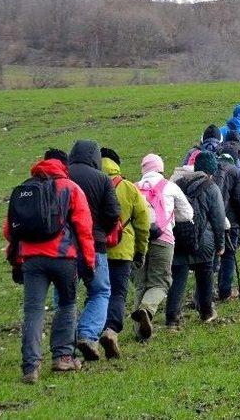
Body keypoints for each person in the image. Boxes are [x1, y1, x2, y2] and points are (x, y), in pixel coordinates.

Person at [5, 151, 94, 383]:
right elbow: (84, 228)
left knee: (33, 311)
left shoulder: (24, 189)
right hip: (64, 258)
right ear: (63, 166)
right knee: (66, 305)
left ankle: (30, 367)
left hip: (32, 260)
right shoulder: (70, 187)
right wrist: (90, 263)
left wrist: (15, 258)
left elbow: (9, 230)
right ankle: (62, 357)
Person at [68, 140, 121, 361]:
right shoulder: (101, 179)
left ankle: (65, 345)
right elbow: (113, 212)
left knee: (65, 296)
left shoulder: (63, 176)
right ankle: (88, 335)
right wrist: (101, 231)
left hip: (65, 247)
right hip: (95, 244)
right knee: (100, 291)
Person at [131, 153, 193, 341]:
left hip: (137, 241)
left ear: (143, 170)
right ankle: (147, 309)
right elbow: (188, 214)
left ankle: (139, 333)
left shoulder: (133, 188)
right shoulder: (170, 186)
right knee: (161, 282)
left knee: (141, 284)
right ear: (161, 168)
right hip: (163, 239)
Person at [99, 148, 150, 357]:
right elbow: (143, 222)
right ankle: (111, 330)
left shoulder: (88, 185)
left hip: (95, 248)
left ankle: (92, 334)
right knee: (118, 293)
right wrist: (140, 251)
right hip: (122, 250)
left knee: (96, 294)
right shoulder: (128, 187)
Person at [167, 152, 226, 327]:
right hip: (204, 240)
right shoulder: (212, 187)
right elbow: (218, 218)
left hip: (180, 236)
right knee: (205, 274)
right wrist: (220, 243)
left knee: (178, 277)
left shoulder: (177, 184)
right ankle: (206, 311)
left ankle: (172, 319)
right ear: (210, 171)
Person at [213, 152, 240, 301]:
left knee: (212, 259)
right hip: (232, 221)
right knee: (228, 256)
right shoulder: (237, 171)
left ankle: (205, 294)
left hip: (213, 222)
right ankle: (225, 292)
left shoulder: (212, 171)